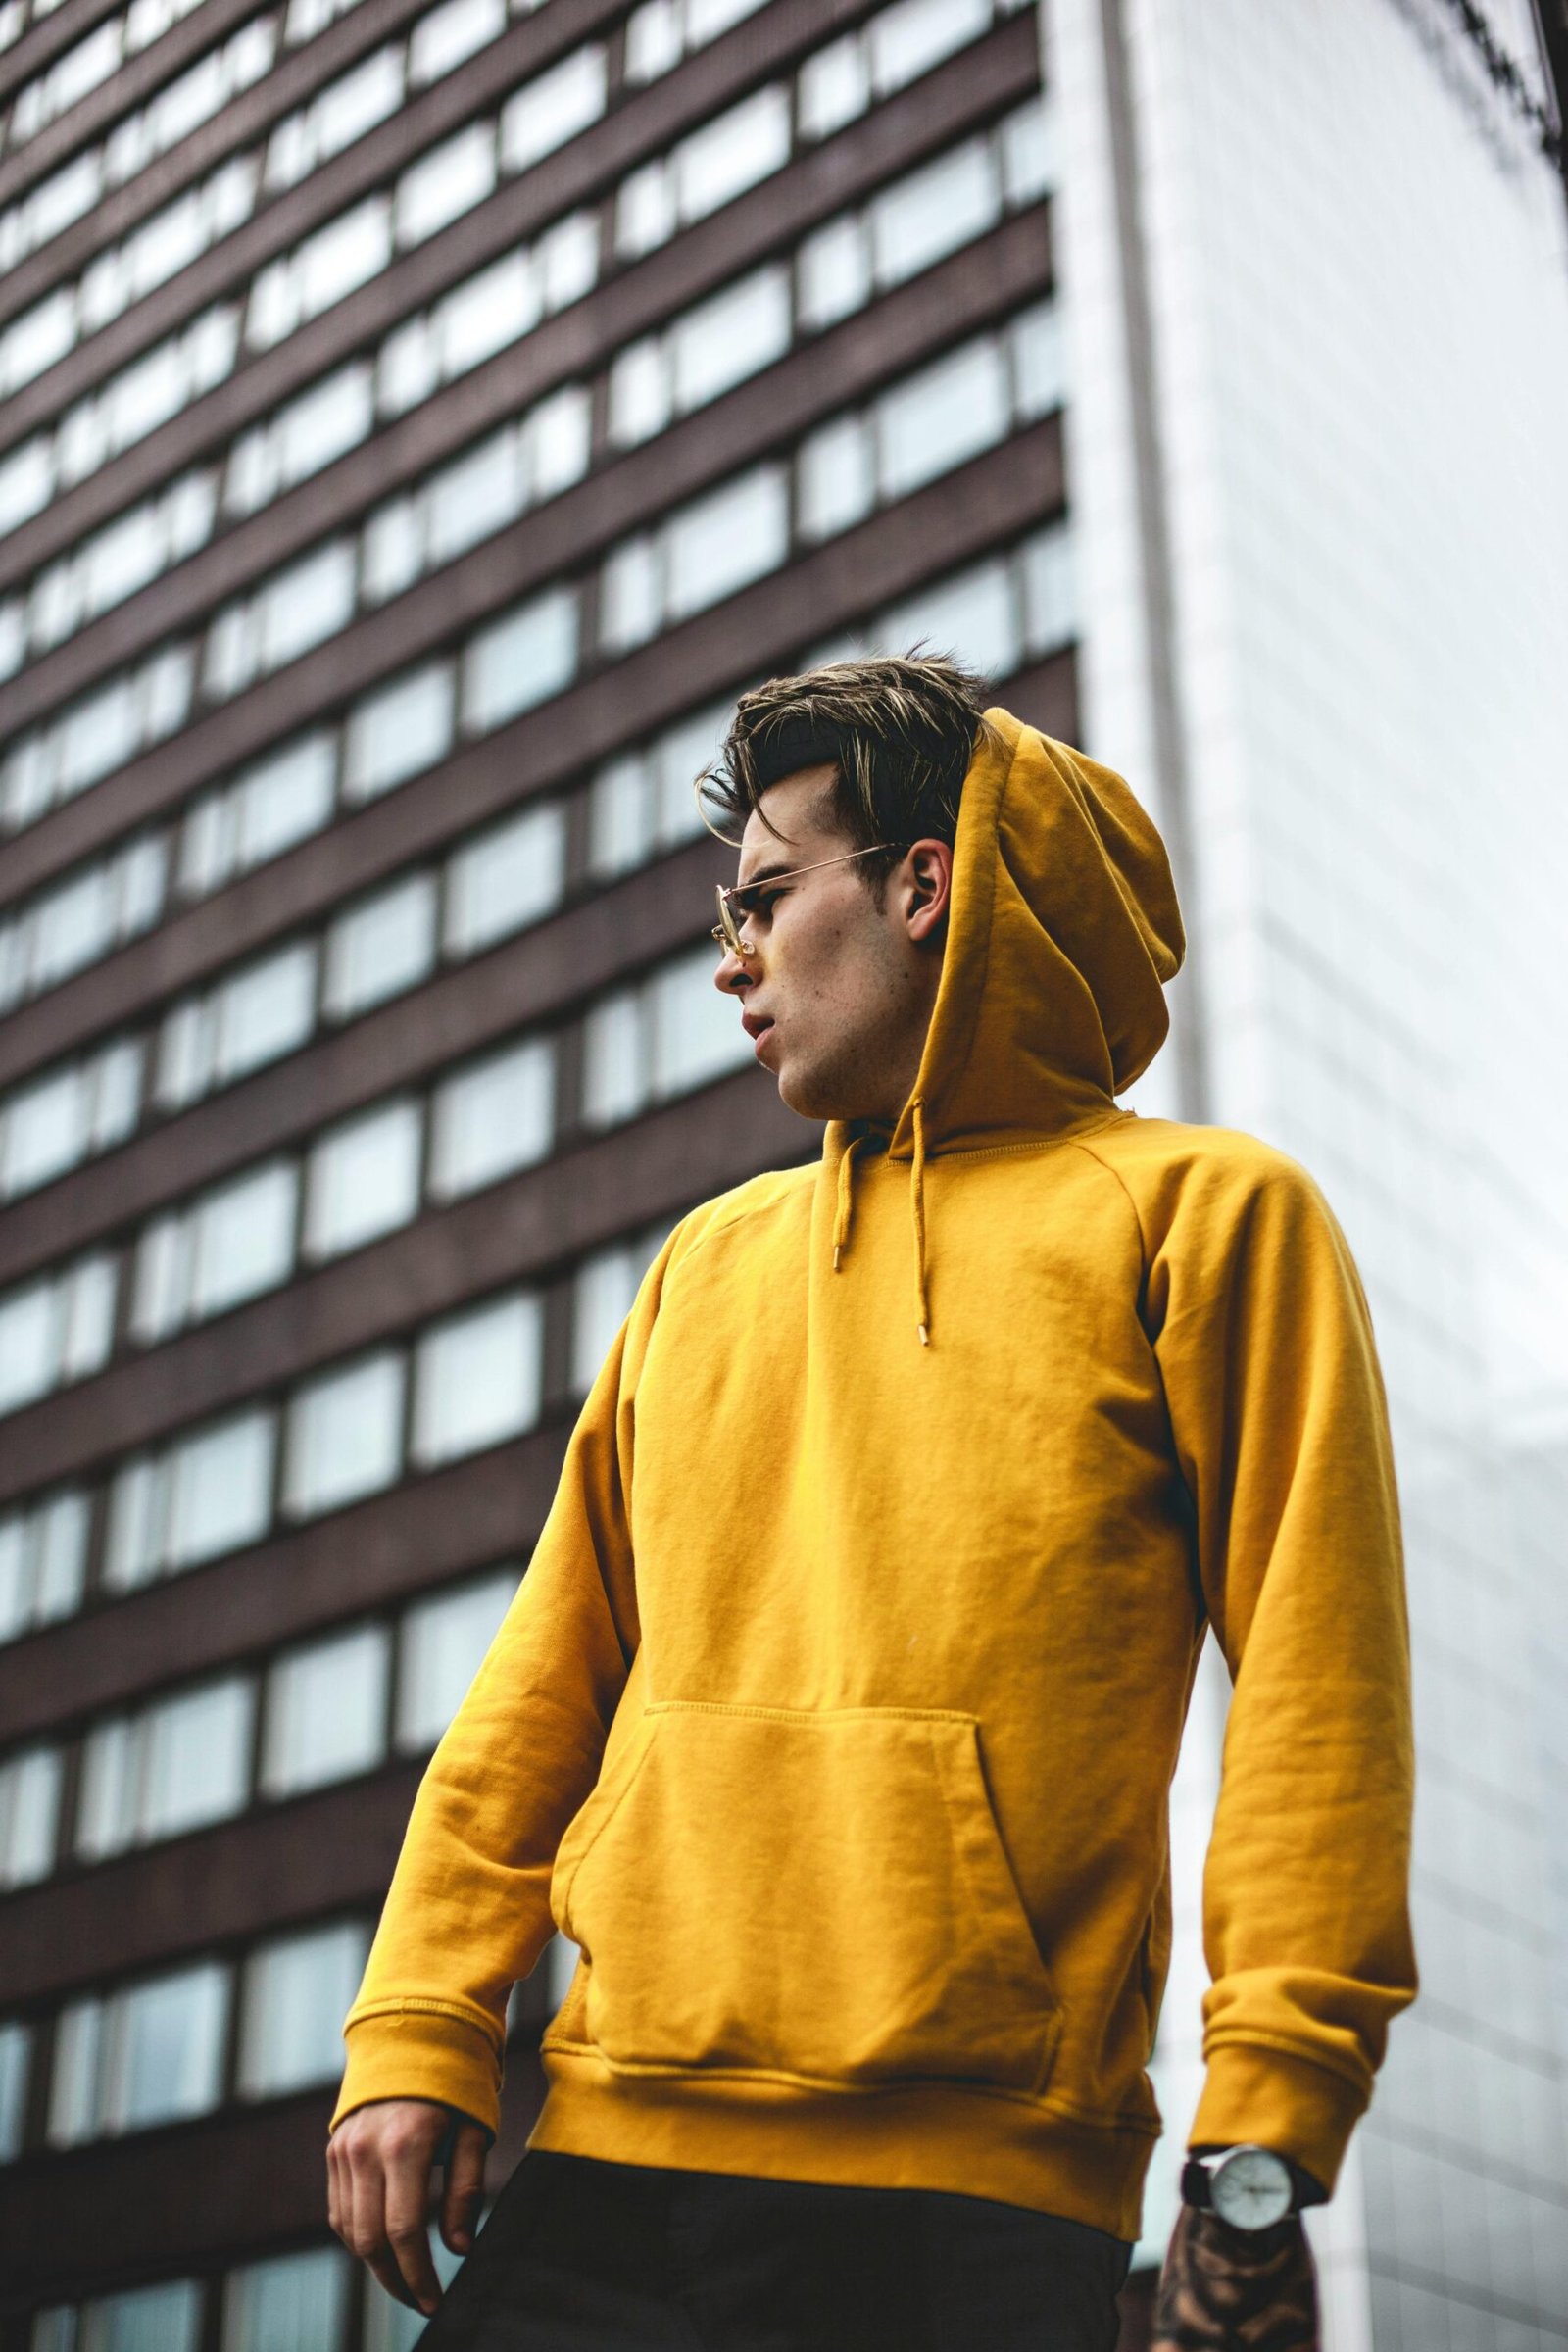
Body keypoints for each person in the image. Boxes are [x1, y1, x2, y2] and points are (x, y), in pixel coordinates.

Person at [326, 659, 1416, 2351]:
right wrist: (418, 2022)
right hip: (608, 2158)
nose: (731, 956)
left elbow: (1317, 1692)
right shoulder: (705, 1266)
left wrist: (1263, 2134)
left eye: (767, 897)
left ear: (921, 885)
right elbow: (543, 1685)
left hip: (972, 2196)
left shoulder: (1204, 1218)